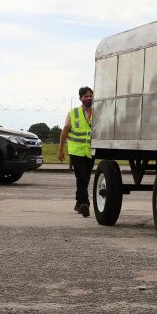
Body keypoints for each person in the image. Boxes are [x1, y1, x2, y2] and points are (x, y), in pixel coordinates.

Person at [58, 86, 94, 217]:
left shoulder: (97, 113)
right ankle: (85, 204)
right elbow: (65, 131)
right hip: (76, 151)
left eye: (91, 96)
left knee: (86, 179)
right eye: (86, 96)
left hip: (90, 152)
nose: (89, 98)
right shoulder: (74, 113)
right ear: (80, 98)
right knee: (81, 177)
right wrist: (60, 150)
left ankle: (79, 202)